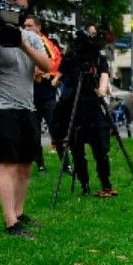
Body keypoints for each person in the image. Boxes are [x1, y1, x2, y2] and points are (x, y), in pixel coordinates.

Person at [0, 0, 53, 237]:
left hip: (27, 107)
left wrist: (22, 43)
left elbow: (47, 66)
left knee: (25, 165)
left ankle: (19, 212)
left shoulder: (31, 38)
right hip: (0, 109)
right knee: (7, 165)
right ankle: (10, 222)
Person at [53, 28, 116, 199]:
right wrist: (56, 80)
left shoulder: (98, 58)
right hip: (73, 108)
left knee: (100, 150)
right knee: (77, 149)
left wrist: (102, 89)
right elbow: (57, 77)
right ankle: (84, 184)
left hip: (93, 107)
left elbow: (104, 76)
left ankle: (106, 184)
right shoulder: (71, 58)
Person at [23, 14, 62, 174]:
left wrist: (53, 76)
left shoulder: (49, 44)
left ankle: (65, 164)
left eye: (30, 26)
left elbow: (58, 62)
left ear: (38, 27)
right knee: (34, 133)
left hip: (47, 95)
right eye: (25, 26)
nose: (27, 29)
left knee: (56, 130)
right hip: (30, 95)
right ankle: (40, 165)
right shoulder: (23, 43)